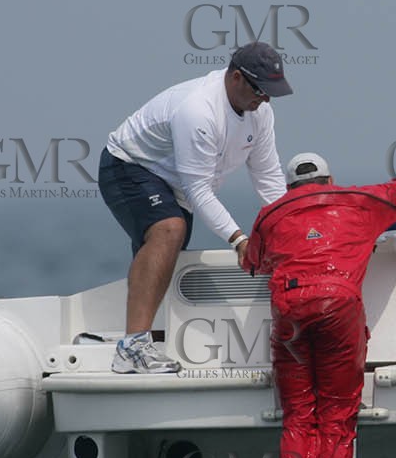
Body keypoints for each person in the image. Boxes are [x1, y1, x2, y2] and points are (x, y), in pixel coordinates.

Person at [241, 149, 396, 458]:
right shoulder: (361, 202)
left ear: (289, 187)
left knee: (298, 415)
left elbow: (252, 262)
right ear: (330, 181)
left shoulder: (270, 214)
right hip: (337, 307)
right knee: (336, 414)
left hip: (289, 311)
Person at [98, 42, 291, 373]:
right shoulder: (198, 110)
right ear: (235, 79)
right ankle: (131, 349)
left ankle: (142, 338)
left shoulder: (260, 113)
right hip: (129, 165)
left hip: (176, 182)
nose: (266, 99)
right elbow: (198, 188)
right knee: (169, 230)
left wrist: (292, 226)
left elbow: (268, 177)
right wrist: (238, 240)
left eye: (272, 91)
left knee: (167, 247)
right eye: (261, 89)